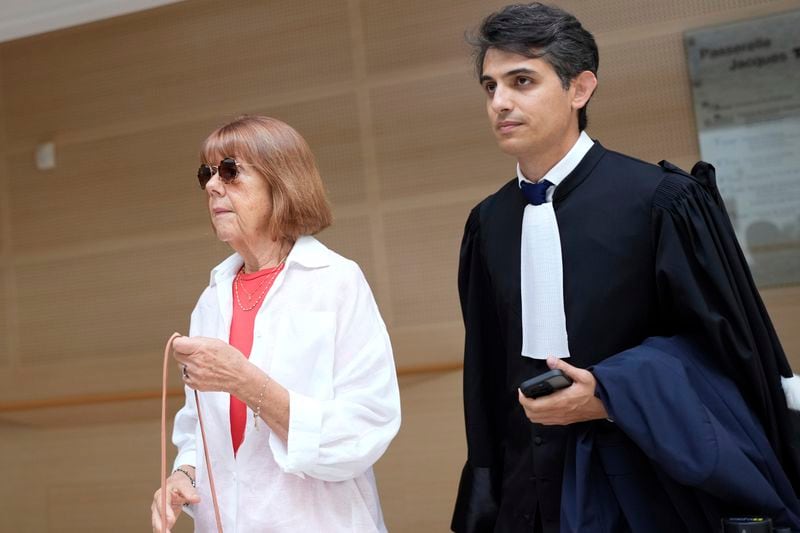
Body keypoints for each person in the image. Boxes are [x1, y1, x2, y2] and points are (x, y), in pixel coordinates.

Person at [451, 4, 800, 532]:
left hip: (647, 486)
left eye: (522, 80)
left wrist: (614, 393)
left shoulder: (664, 202)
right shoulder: (488, 224)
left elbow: (728, 354)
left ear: (580, 88)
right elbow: (484, 379)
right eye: (490, 86)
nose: (500, 102)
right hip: (528, 491)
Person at [149, 116, 401, 532]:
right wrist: (184, 475)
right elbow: (198, 427)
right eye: (206, 174)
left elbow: (366, 426)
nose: (213, 186)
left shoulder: (336, 281)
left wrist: (246, 382)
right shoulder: (210, 300)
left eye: (230, 171)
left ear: (281, 182)